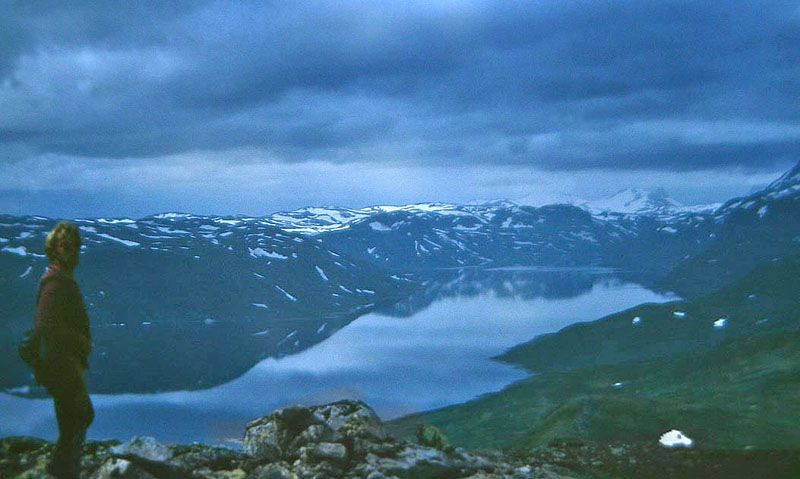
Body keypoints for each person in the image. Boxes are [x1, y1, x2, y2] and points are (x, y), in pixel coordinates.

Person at [34, 221, 94, 479]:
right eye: (67, 247)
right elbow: (45, 326)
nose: (74, 252)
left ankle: (64, 472)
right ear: (55, 250)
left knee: (73, 423)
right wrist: (79, 343)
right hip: (63, 366)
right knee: (77, 420)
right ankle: (64, 473)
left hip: (68, 364)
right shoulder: (56, 284)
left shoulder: (62, 279)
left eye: (76, 247)